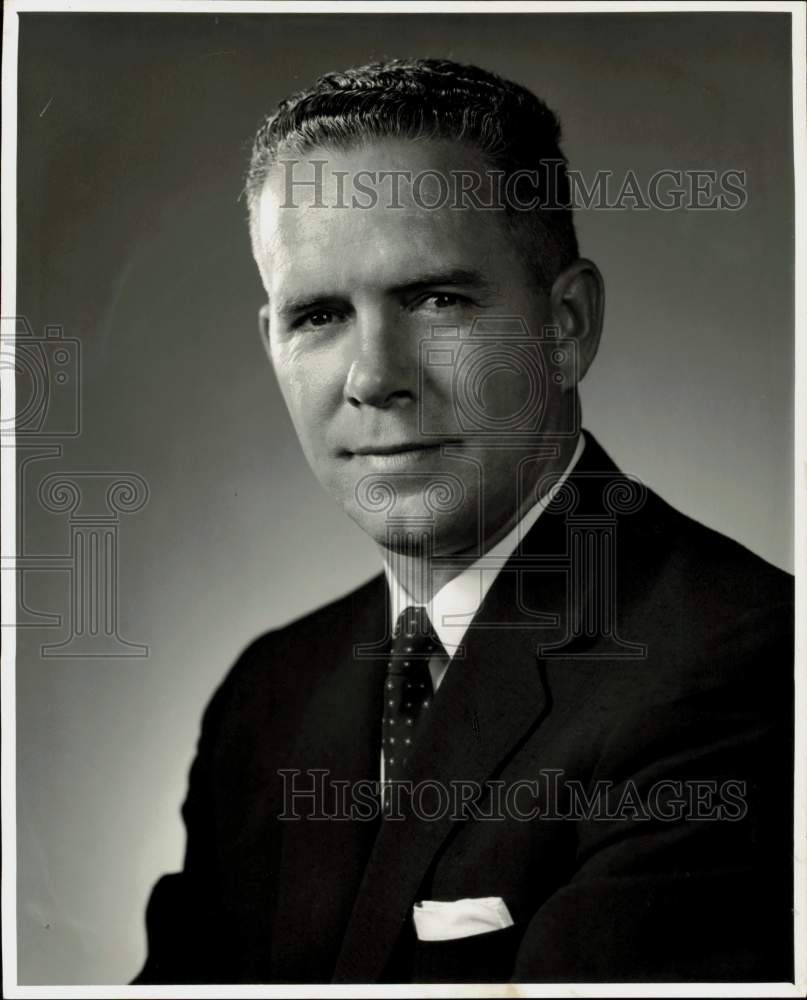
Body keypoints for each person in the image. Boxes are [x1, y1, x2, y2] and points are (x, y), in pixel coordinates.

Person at [135, 58, 793, 984]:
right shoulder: (267, 693)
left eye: (436, 300)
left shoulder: (746, 666)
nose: (372, 378)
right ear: (272, 343)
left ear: (566, 325)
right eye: (318, 314)